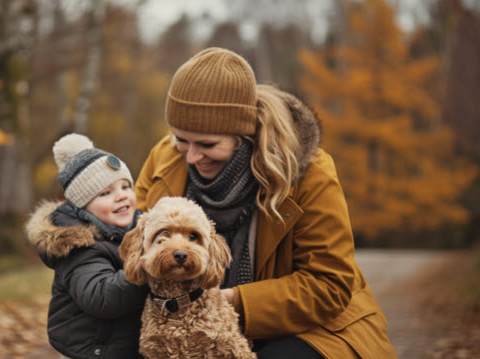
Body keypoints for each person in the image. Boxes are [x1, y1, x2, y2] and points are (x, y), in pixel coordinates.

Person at [135, 47, 397, 359]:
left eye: (208, 144)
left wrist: (228, 301)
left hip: (314, 330)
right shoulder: (165, 157)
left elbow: (328, 286)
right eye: (181, 139)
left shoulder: (310, 172)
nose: (191, 156)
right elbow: (128, 238)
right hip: (186, 319)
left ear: (243, 134)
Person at [25, 133, 147, 359]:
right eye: (105, 193)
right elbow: (102, 297)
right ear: (84, 207)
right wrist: (146, 265)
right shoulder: (80, 246)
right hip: (94, 350)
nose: (121, 196)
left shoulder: (140, 229)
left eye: (125, 187)